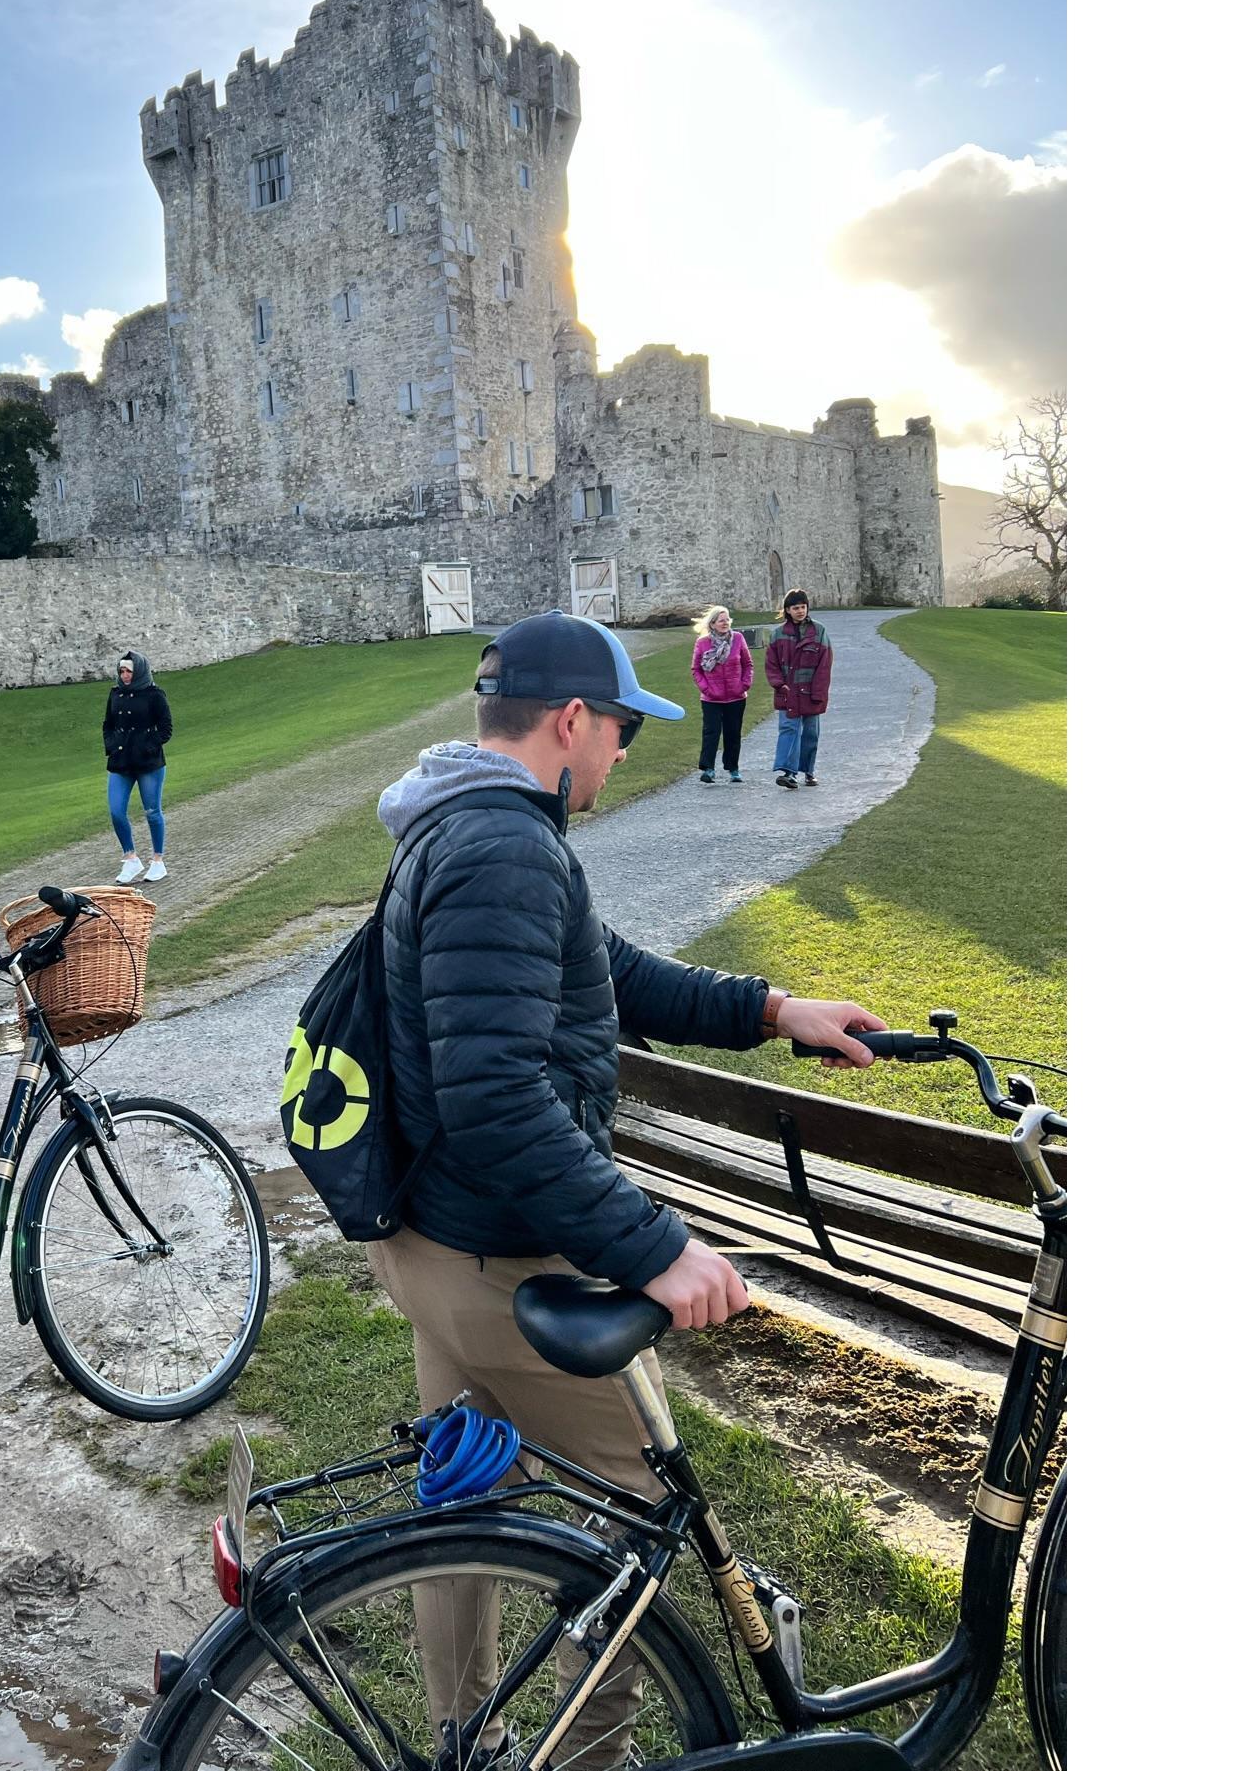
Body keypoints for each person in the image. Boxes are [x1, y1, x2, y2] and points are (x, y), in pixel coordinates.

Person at [371, 610, 886, 1771]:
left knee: (464, 1500)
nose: (622, 754)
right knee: (640, 1529)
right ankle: (577, 1762)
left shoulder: (466, 823)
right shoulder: (501, 845)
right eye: (620, 732)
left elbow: (600, 965)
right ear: (568, 722)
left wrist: (769, 1009)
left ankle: (469, 1745)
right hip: (501, 1258)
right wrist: (652, 1246)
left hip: (443, 1240)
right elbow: (495, 1096)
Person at [103, 649, 172, 883]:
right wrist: (111, 746)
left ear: (139, 671)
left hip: (148, 762)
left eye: (128, 671)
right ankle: (131, 859)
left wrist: (148, 746)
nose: (124, 675)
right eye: (121, 671)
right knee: (116, 810)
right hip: (121, 761)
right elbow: (108, 725)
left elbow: (165, 728)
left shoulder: (154, 694)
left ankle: (158, 861)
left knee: (152, 811)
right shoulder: (115, 694)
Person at [764, 588, 833, 790]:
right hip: (788, 691)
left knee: (810, 733)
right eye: (796, 608)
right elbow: (771, 664)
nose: (800, 611)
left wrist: (819, 692)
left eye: (803, 607)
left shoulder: (819, 631)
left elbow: (825, 664)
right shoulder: (777, 634)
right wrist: (779, 684)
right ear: (787, 610)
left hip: (811, 691)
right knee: (788, 729)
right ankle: (788, 772)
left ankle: (808, 771)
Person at [688, 604, 752, 783]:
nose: (725, 623)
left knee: (733, 733)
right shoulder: (702, 643)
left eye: (727, 620)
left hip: (736, 696)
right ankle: (708, 769)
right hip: (711, 698)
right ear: (713, 623)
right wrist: (706, 689)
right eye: (721, 620)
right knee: (711, 732)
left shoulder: (738, 639)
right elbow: (696, 669)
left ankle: (733, 768)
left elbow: (748, 664)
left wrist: (744, 685)